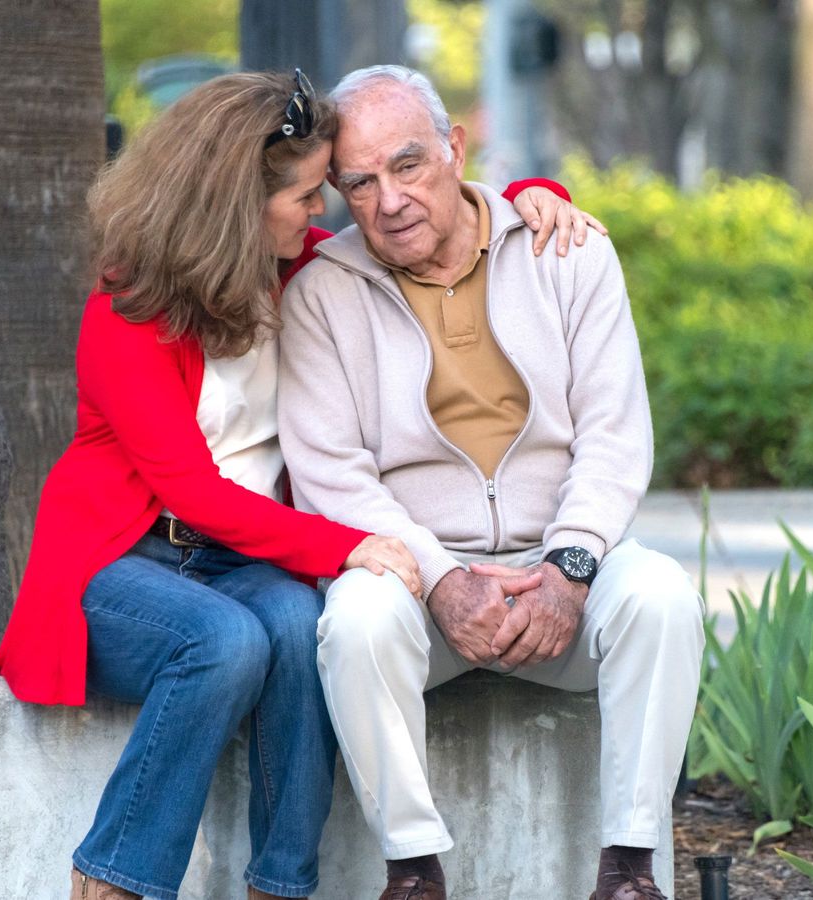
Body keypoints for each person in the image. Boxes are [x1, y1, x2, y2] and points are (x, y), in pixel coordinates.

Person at [0, 70, 599, 900]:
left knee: (303, 628)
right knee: (221, 642)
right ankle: (115, 879)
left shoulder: (294, 269)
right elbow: (193, 494)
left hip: (243, 560)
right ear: (238, 201)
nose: (322, 212)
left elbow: (429, 220)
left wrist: (530, 196)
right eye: (306, 195)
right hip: (122, 560)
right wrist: (353, 545)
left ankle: (281, 886)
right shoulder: (127, 313)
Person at [277, 65, 705, 900]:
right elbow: (333, 474)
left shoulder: (567, 250)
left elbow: (615, 435)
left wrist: (571, 568)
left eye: (408, 166)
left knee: (659, 595)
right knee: (356, 619)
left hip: (561, 568)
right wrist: (440, 582)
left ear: (454, 148)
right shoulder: (322, 295)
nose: (390, 200)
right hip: (425, 586)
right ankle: (413, 873)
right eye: (358, 184)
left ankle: (629, 871)